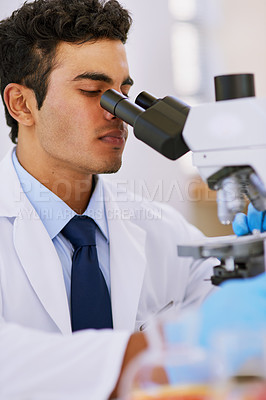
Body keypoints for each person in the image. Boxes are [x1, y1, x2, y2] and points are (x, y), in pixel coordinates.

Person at [0, 0, 217, 398]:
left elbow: (233, 314)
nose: (119, 112)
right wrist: (152, 350)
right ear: (22, 104)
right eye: (92, 91)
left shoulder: (160, 228)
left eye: (123, 93)